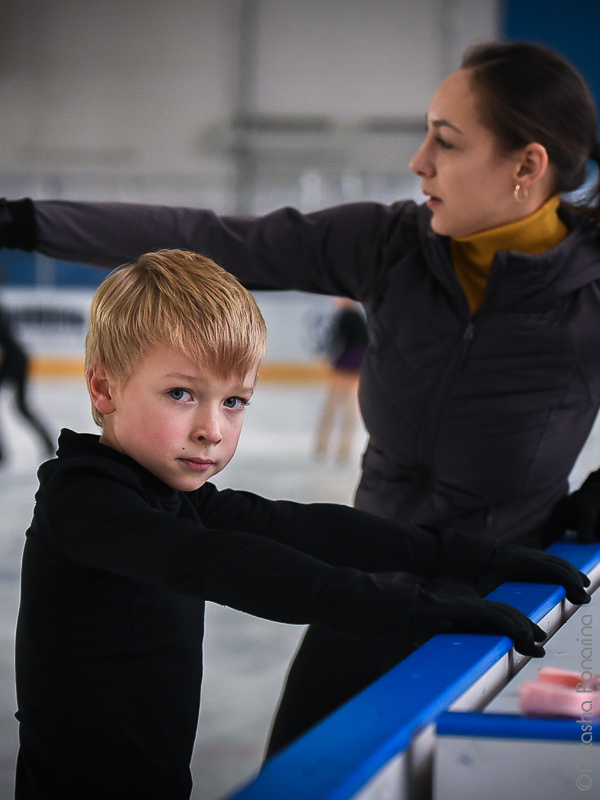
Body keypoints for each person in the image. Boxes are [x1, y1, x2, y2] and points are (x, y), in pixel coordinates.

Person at [3, 40, 600, 753]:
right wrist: (22, 222)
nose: (419, 161)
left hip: (503, 585)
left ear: (526, 167)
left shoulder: (589, 290)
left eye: (445, 140)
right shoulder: (388, 245)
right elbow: (209, 237)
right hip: (359, 581)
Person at [15, 248, 589, 799]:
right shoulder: (84, 502)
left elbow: (311, 529)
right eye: (182, 394)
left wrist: (475, 558)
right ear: (103, 387)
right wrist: (419, 614)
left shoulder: (169, 495)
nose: (212, 429)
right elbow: (228, 566)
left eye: (234, 401)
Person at [313, 297, 368, 462]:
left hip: (344, 366)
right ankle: (344, 449)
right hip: (356, 367)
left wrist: (329, 359)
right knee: (349, 409)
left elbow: (335, 341)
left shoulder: (345, 316)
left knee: (332, 407)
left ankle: (322, 446)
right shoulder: (357, 317)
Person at [0, 303, 55, 462]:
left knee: (22, 407)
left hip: (15, 360)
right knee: (22, 407)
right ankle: (48, 443)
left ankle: (47, 443)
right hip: (16, 359)